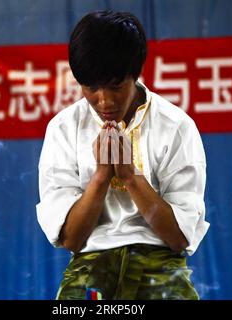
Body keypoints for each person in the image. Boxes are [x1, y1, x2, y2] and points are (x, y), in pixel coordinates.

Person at [36, 10, 208, 300]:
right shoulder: (62, 129)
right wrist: (101, 178)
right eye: (91, 88)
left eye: (116, 86)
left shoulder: (177, 127)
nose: (104, 101)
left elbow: (178, 239)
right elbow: (71, 240)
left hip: (161, 268)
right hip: (90, 268)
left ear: (135, 73)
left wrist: (130, 176)